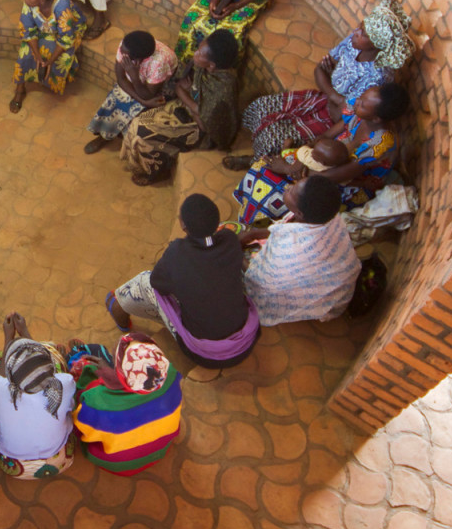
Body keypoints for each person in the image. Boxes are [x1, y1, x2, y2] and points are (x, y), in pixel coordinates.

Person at [234, 0, 414, 158]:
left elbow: (347, 114)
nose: (355, 31)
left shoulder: (377, 76)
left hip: (334, 121)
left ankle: (256, 162)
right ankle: (254, 149)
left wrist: (329, 84)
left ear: (377, 44)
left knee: (272, 140)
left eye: (363, 34)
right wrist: (334, 95)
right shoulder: (354, 44)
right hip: (321, 99)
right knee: (261, 107)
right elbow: (319, 70)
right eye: (360, 26)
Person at [106, 193, 259, 368]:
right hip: (245, 342)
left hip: (209, 355)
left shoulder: (176, 253)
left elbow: (157, 283)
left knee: (146, 281)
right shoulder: (230, 240)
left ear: (183, 225)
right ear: (217, 222)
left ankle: (119, 307)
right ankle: (121, 307)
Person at [228, 82, 408, 192]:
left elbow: (337, 176)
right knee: (273, 163)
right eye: (361, 97)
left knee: (288, 188)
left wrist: (291, 168)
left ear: (377, 118)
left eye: (362, 104)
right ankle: (260, 163)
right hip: (331, 158)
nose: (356, 101)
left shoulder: (379, 144)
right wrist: (306, 151)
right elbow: (332, 132)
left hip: (353, 182)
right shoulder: (359, 113)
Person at [120, 30, 240, 186]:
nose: (195, 53)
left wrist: (191, 102)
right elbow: (179, 87)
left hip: (201, 131)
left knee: (143, 135)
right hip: (187, 108)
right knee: (137, 122)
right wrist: (194, 105)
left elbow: (205, 124)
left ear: (212, 65)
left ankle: (155, 172)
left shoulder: (223, 90)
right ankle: (141, 164)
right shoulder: (203, 68)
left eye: (199, 53)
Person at [242, 176, 362, 326]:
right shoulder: (329, 215)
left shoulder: (288, 252)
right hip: (335, 280)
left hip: (322, 293)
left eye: (291, 191)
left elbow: (262, 284)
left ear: (299, 213)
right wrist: (253, 234)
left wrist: (236, 254)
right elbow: (283, 229)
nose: (287, 188)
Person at [67, 336, 182, 474]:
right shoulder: (172, 374)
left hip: (117, 463)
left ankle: (72, 355)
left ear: (120, 375)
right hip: (160, 449)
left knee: (86, 369)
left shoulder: (95, 400)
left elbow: (80, 431)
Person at [0, 313, 77, 479]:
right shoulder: (63, 383)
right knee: (57, 361)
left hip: (11, 463)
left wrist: (8, 339)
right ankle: (57, 355)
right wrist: (25, 332)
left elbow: (1, 375)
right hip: (58, 460)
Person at [231, 131, 354, 228]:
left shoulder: (327, 169)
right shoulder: (314, 154)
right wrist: (296, 163)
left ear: (323, 162)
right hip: (298, 171)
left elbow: (314, 177)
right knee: (263, 165)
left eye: (315, 154)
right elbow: (306, 151)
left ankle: (255, 218)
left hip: (304, 180)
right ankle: (247, 203)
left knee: (266, 195)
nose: (311, 153)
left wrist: (288, 169)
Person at [84, 30, 178, 153]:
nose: (121, 51)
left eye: (124, 52)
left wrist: (135, 76)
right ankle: (105, 136)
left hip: (159, 86)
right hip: (140, 86)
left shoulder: (159, 63)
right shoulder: (127, 45)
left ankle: (125, 140)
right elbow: (121, 78)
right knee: (114, 99)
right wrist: (143, 100)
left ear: (138, 59)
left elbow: (149, 94)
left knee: (140, 115)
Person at [10, 0, 85, 114]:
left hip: (67, 34)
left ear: (42, 0)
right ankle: (20, 90)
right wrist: (38, 56)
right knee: (25, 53)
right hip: (42, 32)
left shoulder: (62, 7)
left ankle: (52, 82)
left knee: (61, 58)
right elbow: (27, 30)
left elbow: (66, 38)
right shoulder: (29, 3)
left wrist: (51, 60)